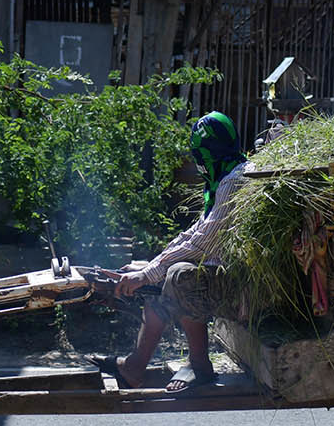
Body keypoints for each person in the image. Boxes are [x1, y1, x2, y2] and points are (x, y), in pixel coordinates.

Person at [95, 111, 250, 394]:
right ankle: (134, 366)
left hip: (242, 285)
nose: (198, 162)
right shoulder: (223, 177)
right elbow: (194, 232)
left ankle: (200, 366)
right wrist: (149, 269)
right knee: (158, 280)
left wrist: (151, 271)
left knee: (180, 276)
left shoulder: (234, 180)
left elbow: (203, 245)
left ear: (212, 151)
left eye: (201, 154)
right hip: (225, 274)